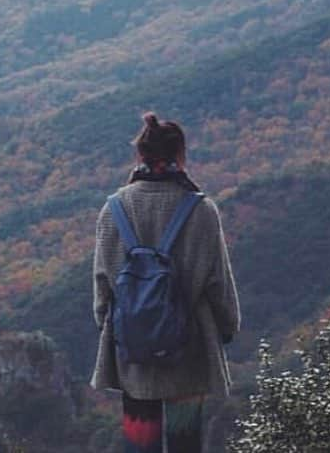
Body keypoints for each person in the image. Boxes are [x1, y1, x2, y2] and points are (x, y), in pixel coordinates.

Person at [92, 111, 240, 453]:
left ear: (140, 156)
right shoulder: (201, 211)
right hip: (187, 347)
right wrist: (228, 326)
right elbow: (218, 282)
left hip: (133, 350)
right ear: (179, 155)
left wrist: (113, 327)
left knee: (139, 441)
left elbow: (102, 286)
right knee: (185, 441)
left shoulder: (112, 210)